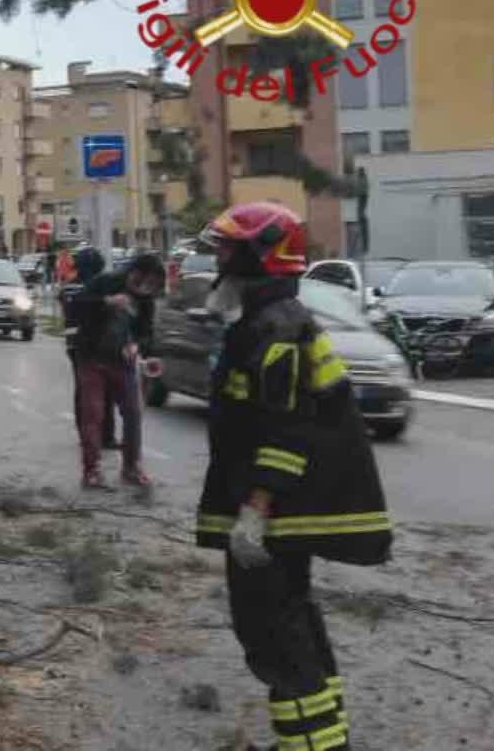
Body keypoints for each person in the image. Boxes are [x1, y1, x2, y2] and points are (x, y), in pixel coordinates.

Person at [195, 202, 392, 751]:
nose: (220, 260)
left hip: (275, 514)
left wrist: (256, 510)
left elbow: (284, 431)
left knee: (272, 634)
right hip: (283, 511)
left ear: (264, 255)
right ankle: (321, 740)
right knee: (293, 626)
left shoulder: (275, 328)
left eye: (229, 249)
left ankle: (310, 745)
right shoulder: (269, 321)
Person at [67, 251, 165, 489]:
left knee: (133, 412)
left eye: (152, 286)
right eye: (143, 282)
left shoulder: (146, 301)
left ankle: (131, 467)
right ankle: (92, 470)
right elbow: (75, 307)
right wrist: (105, 303)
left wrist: (138, 347)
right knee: (93, 414)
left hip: (123, 363)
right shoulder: (106, 282)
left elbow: (146, 333)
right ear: (133, 274)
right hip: (91, 358)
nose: (145, 289)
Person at [60, 246, 120, 453]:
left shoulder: (74, 287)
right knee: (95, 391)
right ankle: (98, 435)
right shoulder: (79, 289)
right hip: (84, 344)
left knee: (93, 390)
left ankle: (98, 434)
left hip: (86, 343)